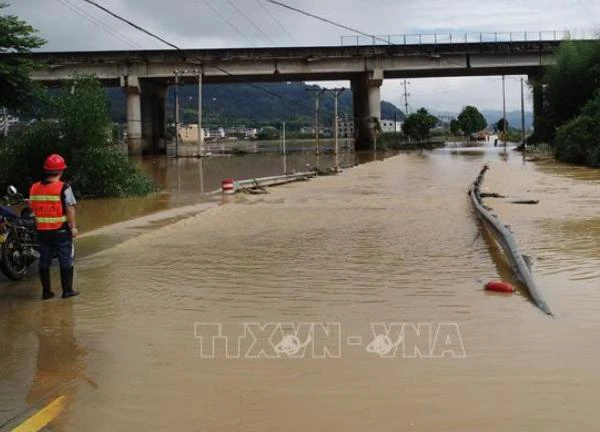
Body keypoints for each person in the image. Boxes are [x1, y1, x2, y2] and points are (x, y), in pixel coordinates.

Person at [29, 154, 79, 300]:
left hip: (42, 230)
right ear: (61, 171)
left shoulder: (34, 187)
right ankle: (67, 291)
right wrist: (73, 227)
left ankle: (46, 292)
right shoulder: (64, 187)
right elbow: (70, 209)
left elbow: (32, 207)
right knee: (65, 259)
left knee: (44, 260)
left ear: (46, 170)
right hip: (60, 230)